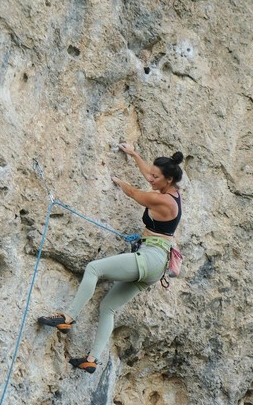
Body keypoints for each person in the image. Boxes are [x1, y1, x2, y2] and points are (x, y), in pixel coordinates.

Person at [37, 144, 184, 373]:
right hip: (156, 263)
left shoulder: (164, 201)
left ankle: (68, 316)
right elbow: (148, 175)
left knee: (94, 269)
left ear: (168, 179)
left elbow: (136, 194)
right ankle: (91, 359)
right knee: (108, 307)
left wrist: (118, 181)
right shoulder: (171, 191)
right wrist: (135, 154)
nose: (151, 179)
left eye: (156, 177)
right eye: (152, 175)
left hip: (151, 257)